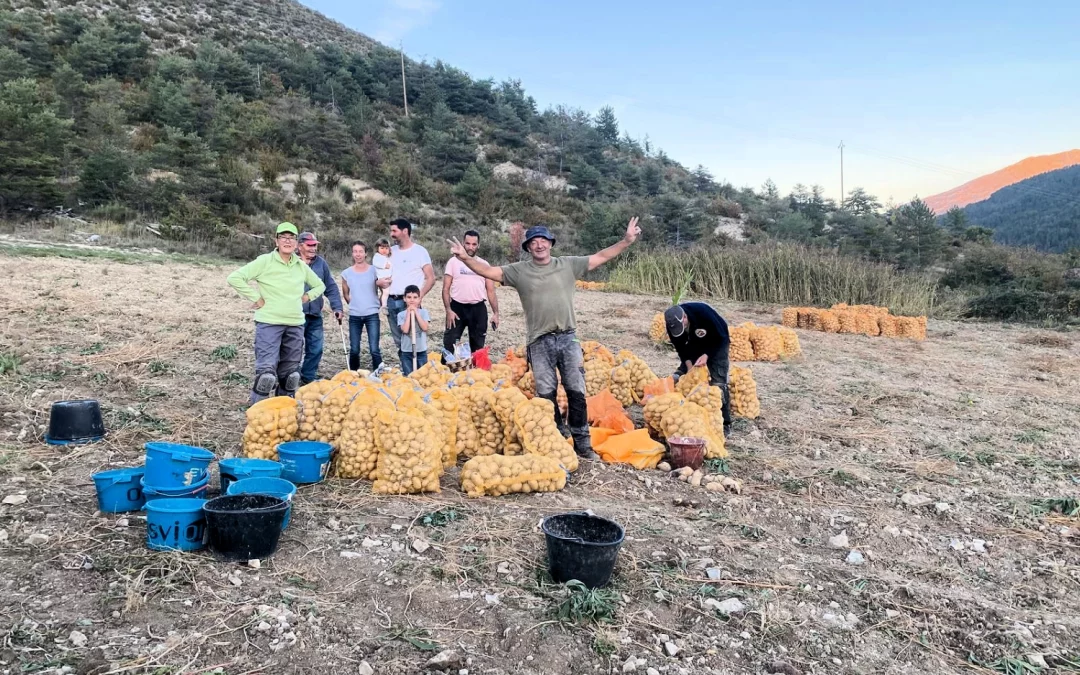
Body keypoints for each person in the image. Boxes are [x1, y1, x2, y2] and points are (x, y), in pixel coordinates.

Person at [447, 218, 641, 460]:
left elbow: (601, 256)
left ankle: (582, 443)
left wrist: (626, 241)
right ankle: (557, 436)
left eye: (543, 241)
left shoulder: (568, 265)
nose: (539, 245)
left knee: (576, 390)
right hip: (539, 341)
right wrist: (465, 258)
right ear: (528, 248)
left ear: (551, 243)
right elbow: (488, 271)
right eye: (533, 242)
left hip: (568, 338)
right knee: (546, 392)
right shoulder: (519, 271)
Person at [227, 222, 325, 405]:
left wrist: (307, 296)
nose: (287, 241)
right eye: (283, 237)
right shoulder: (265, 261)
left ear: (296, 243)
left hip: (295, 324)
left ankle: (283, 414)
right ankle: (258, 416)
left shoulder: (301, 266)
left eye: (291, 238)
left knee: (290, 377)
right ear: (276, 240)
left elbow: (320, 285)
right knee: (266, 377)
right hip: (269, 323)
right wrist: (256, 298)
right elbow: (234, 278)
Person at [665, 303, 732, 433]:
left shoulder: (703, 315)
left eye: (682, 326)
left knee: (718, 381)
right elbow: (681, 349)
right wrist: (690, 369)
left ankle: (725, 423)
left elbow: (722, 339)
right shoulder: (672, 324)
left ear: (684, 317)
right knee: (687, 374)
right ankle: (693, 413)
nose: (680, 329)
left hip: (717, 340)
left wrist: (707, 355)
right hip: (693, 342)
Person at [297, 231, 343, 384]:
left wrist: (337, 307)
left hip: (315, 314)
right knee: (294, 349)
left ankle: (308, 377)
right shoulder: (291, 262)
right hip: (295, 314)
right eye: (310, 245)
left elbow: (330, 286)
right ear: (300, 246)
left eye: (315, 245)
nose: (313, 248)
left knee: (316, 348)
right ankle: (289, 377)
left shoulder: (321, 263)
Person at [443, 229, 500, 354]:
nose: (470, 247)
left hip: (478, 309)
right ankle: (446, 371)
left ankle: (475, 372)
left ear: (478, 245)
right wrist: (448, 310)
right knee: (449, 344)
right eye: (467, 243)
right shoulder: (453, 262)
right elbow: (446, 288)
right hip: (457, 308)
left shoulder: (484, 264)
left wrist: (496, 313)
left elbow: (491, 290)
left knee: (478, 348)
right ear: (463, 243)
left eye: (474, 244)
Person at [385, 219, 435, 351]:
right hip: (392, 301)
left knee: (413, 338)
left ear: (405, 231)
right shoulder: (390, 251)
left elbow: (431, 278)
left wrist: (419, 297)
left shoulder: (420, 251)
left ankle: (415, 369)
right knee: (398, 340)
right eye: (391, 231)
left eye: (394, 231)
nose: (391, 234)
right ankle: (405, 368)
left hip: (409, 302)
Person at [340, 241, 389, 371]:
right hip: (355, 316)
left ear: (366, 253)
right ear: (352, 254)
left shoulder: (374, 270)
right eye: (355, 251)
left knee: (374, 349)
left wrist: (379, 301)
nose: (358, 254)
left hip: (372, 314)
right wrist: (355, 304)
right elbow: (346, 294)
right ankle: (353, 374)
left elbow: (384, 286)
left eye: (361, 251)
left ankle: (379, 372)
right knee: (355, 349)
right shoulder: (346, 273)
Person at [397, 284, 430, 375]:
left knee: (422, 375)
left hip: (420, 350)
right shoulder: (401, 315)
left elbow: (425, 327)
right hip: (407, 351)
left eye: (415, 297)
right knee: (409, 375)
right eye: (409, 297)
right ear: (404, 298)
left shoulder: (423, 312)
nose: (412, 300)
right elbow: (405, 330)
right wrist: (408, 313)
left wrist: (416, 312)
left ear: (419, 299)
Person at [372, 238, 393, 310]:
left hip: (387, 277)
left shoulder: (387, 257)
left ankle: (381, 303)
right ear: (377, 248)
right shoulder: (377, 256)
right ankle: (384, 305)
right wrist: (384, 265)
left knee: (386, 292)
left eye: (386, 248)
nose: (384, 250)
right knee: (386, 292)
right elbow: (376, 263)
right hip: (382, 277)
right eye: (382, 248)